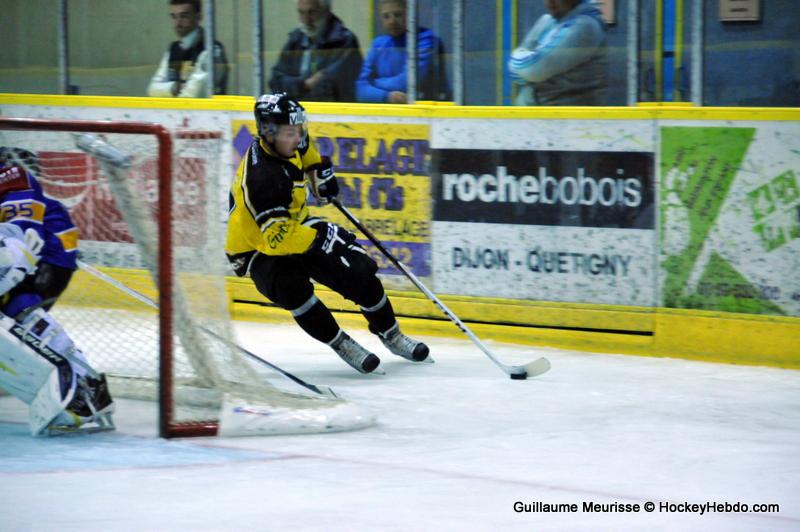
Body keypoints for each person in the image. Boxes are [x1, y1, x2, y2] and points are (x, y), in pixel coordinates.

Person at [225, 93, 430, 374]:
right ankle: (341, 344)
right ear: (268, 133)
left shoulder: (287, 140)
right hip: (256, 247)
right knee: (292, 289)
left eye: (299, 129)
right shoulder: (263, 179)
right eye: (290, 133)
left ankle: (392, 335)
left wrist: (317, 171)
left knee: (358, 269)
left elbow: (306, 150)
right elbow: (278, 239)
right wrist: (319, 239)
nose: (298, 137)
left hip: (293, 226)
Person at [0, 219, 114, 435]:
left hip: (18, 301)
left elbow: (14, 259)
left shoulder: (8, 238)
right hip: (14, 298)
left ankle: (86, 390)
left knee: (39, 328)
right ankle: (84, 391)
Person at [0, 147, 78, 311]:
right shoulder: (44, 201)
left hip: (48, 263)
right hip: (49, 260)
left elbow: (20, 240)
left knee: (21, 313)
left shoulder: (18, 185)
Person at [508, 0, 608, 106]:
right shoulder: (547, 21)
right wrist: (526, 68)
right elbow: (516, 68)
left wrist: (526, 71)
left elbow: (532, 71)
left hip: (565, 113)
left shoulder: (585, 26)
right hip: (536, 112)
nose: (550, 2)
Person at [356, 0, 451, 103]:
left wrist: (374, 83)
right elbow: (360, 89)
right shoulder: (378, 44)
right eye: (386, 16)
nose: (392, 21)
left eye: (398, 15)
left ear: (409, 14)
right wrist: (387, 96)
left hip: (426, 108)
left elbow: (407, 83)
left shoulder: (425, 39)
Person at [269, 0, 362, 103]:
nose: (306, 20)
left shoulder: (344, 41)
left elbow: (331, 87)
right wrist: (305, 85)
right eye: (301, 12)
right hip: (295, 109)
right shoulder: (296, 39)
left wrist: (293, 87)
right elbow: (275, 82)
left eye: (311, 12)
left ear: (326, 12)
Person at [148, 0, 229, 98]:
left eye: (184, 16)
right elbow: (152, 89)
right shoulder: (173, 49)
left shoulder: (212, 49)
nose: (178, 22)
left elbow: (194, 95)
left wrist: (166, 91)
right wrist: (174, 87)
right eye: (174, 17)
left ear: (198, 17)